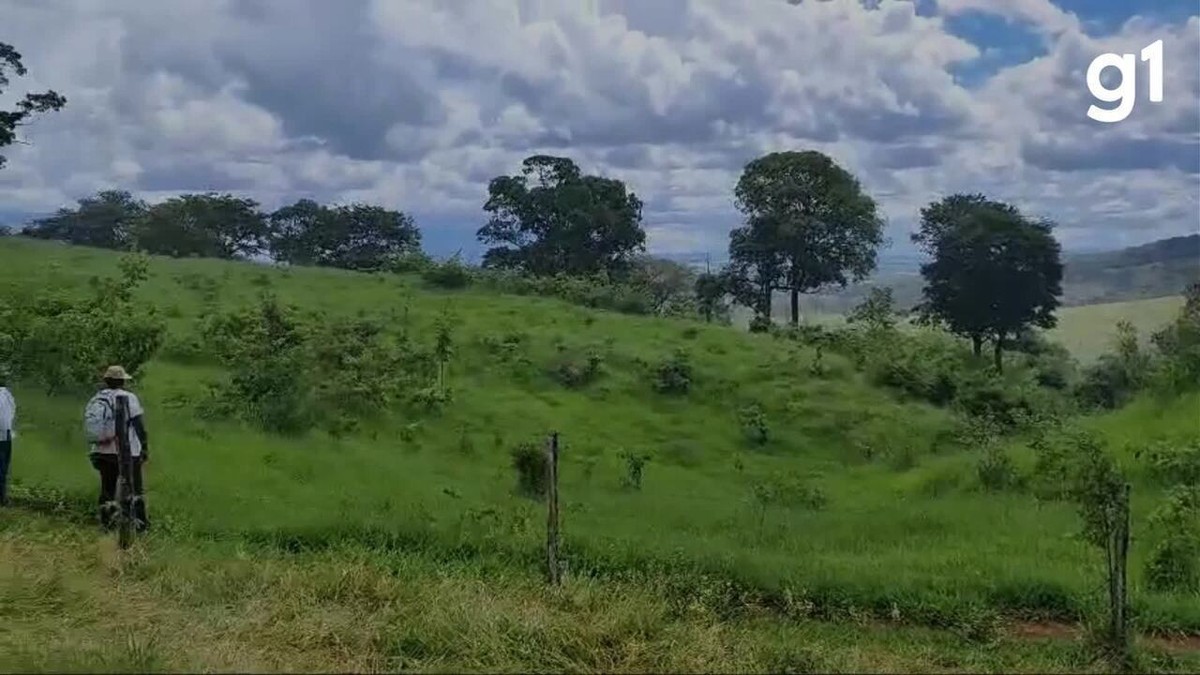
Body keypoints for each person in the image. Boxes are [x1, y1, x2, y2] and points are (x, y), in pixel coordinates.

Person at [85, 365, 150, 531]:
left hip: (102, 451)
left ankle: (107, 523)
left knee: (107, 487)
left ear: (106, 381)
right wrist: (144, 446)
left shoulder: (97, 398)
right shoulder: (129, 397)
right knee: (134, 488)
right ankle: (138, 524)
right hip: (126, 451)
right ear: (122, 381)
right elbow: (138, 424)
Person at [0, 368, 14, 506]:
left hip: (6, 435)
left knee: (3, 468)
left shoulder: (6, 394)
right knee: (2, 468)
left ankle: (2, 496)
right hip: (4, 435)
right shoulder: (5, 395)